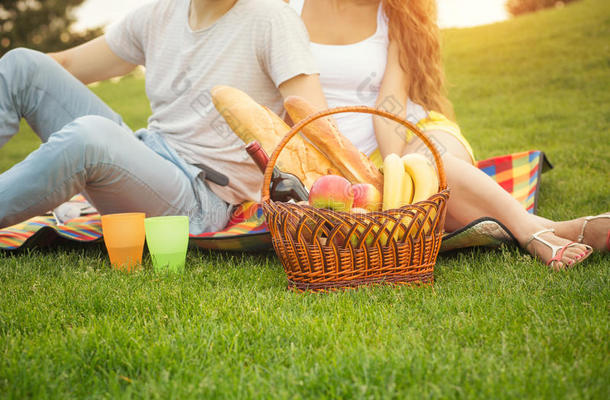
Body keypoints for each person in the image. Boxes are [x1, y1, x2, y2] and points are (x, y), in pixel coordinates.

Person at [286, 0, 609, 269]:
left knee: (434, 169)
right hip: (343, 158)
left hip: (409, 131)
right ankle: (557, 229)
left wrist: (398, 168)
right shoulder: (287, 8)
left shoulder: (398, 11)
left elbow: (392, 101)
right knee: (429, 215)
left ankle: (528, 232)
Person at [0, 0, 328, 234]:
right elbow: (66, 66)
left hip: (202, 197)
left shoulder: (271, 18)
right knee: (23, 65)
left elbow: (316, 122)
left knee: (91, 137)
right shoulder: (159, 14)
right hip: (145, 158)